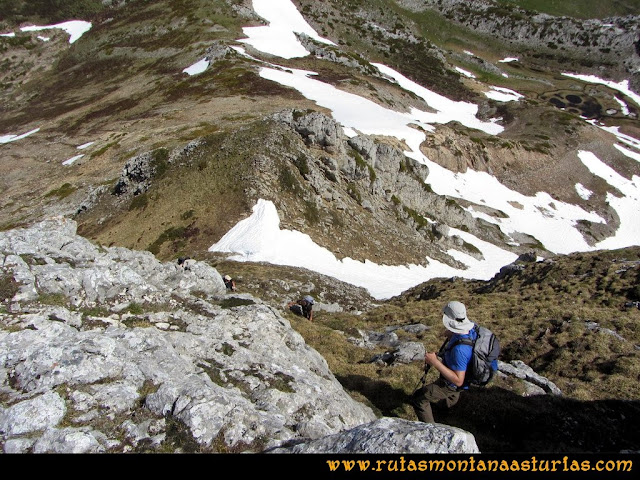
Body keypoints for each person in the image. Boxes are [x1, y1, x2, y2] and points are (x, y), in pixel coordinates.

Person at [411, 300, 476, 423]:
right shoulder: (470, 329)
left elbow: (458, 380)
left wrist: (435, 362)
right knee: (451, 399)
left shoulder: (460, 350)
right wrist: (451, 333)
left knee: (419, 398)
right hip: (465, 377)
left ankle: (431, 430)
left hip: (450, 383)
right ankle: (444, 413)